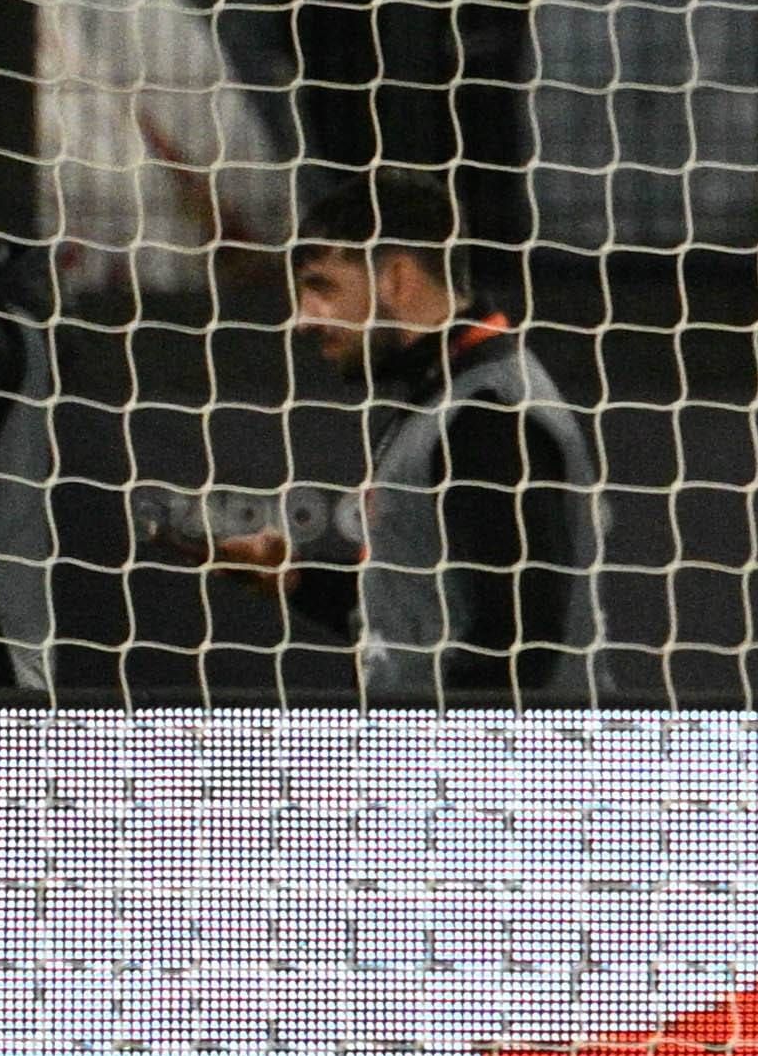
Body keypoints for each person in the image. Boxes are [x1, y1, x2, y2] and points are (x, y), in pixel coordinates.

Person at [211, 171, 595, 703]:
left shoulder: (486, 416)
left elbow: (518, 645)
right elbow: (422, 606)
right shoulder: (450, 395)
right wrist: (295, 579)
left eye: (322, 287)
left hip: (495, 774)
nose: (301, 319)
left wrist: (427, 759)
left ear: (395, 278)